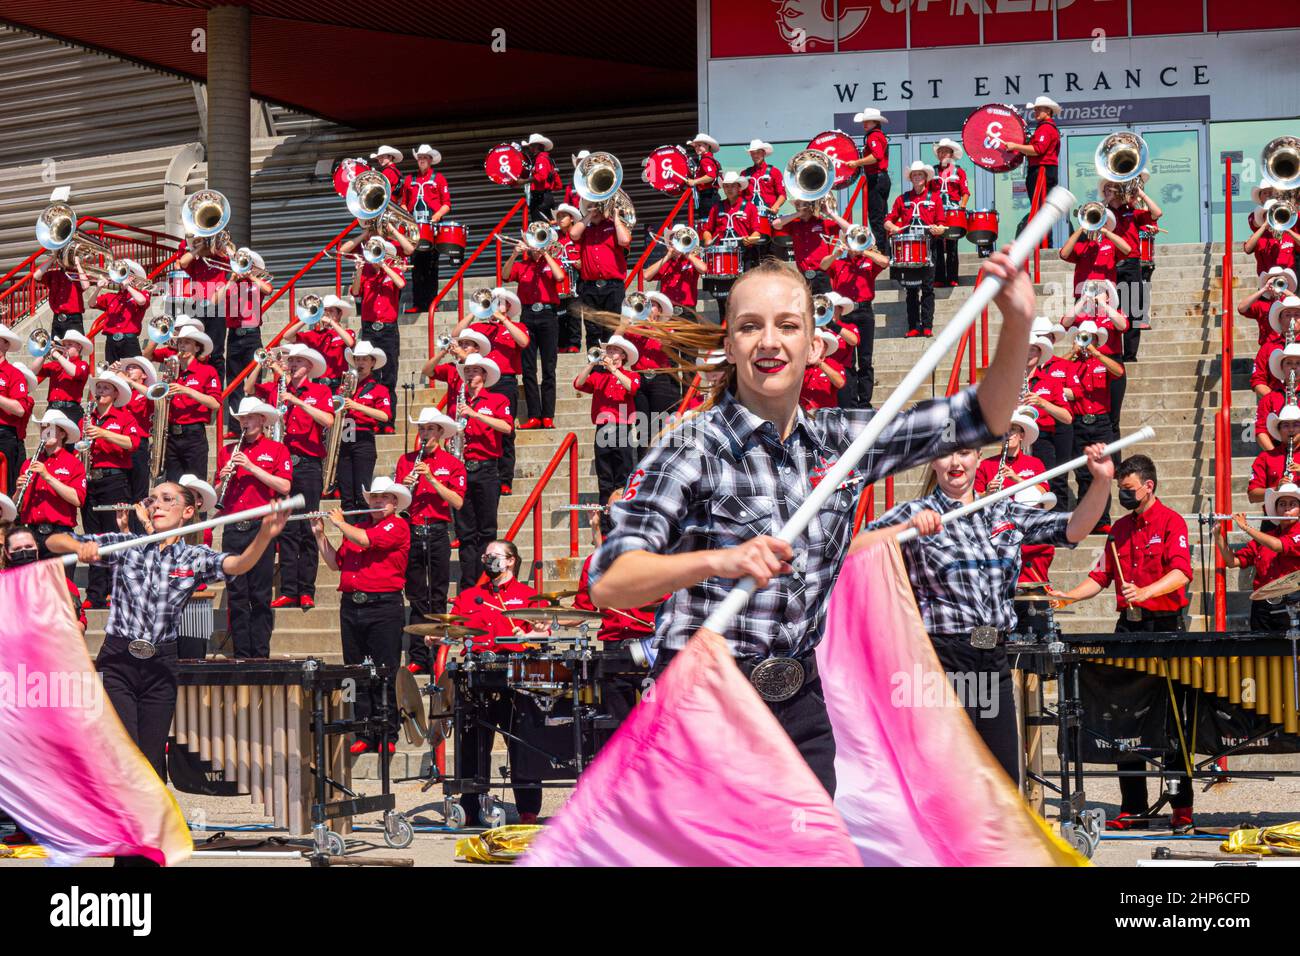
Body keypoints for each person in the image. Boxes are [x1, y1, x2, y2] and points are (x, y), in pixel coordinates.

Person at [587, 252, 1039, 796]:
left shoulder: (847, 441)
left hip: (801, 708)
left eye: (788, 326)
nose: (769, 342)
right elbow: (609, 579)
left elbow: (981, 418)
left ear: (814, 346)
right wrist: (719, 560)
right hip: (704, 708)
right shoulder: (690, 447)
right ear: (728, 347)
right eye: (750, 327)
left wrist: (1017, 323)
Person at [51, 483, 287, 866]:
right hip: (119, 664)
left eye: (167, 500)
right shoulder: (124, 544)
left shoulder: (193, 557)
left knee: (150, 764)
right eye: (153, 500)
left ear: (188, 512)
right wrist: (79, 548)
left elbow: (239, 565)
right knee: (129, 760)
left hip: (161, 666)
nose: (156, 505)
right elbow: (57, 540)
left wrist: (264, 534)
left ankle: (144, 851)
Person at [859, 443, 1112, 782]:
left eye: (964, 452)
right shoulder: (913, 512)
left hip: (993, 657)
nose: (955, 462)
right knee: (948, 777)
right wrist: (903, 532)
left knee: (1002, 777)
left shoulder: (1003, 513)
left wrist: (1101, 482)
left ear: (979, 456)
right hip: (943, 660)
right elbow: (852, 548)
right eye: (946, 454)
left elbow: (1073, 529)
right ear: (932, 460)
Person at [1046, 455, 1194, 830]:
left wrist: (1145, 592)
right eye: (1120, 490)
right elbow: (1100, 576)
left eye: (1128, 490)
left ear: (1149, 486)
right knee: (1124, 716)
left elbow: (1180, 574)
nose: (1123, 496)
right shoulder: (1119, 530)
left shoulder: (1172, 522)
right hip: (1127, 628)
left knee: (1172, 720)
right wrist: (1069, 597)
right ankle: (1134, 807)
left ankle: (1181, 808)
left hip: (1165, 628)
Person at [449, 539, 547, 825]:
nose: (488, 559)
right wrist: (440, 634)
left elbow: (544, 633)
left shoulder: (528, 595)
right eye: (485, 555)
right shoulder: (468, 597)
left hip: (515, 676)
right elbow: (452, 629)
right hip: (477, 676)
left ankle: (528, 808)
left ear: (511, 560)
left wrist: (533, 635)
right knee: (472, 744)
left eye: (495, 555)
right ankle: (469, 805)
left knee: (522, 743)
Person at [313, 476, 410, 754]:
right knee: (354, 670)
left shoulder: (397, 525)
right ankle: (362, 729)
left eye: (384, 497)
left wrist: (340, 522)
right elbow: (334, 564)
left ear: (394, 502)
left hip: (383, 606)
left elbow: (367, 541)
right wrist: (320, 533)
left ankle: (387, 732)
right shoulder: (356, 528)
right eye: (374, 497)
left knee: (385, 670)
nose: (377, 502)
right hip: (352, 605)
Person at [252, 345, 334, 610]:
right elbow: (248, 391)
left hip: (308, 464)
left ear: (309, 367)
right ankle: (288, 589)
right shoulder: (276, 389)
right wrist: (260, 363)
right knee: (286, 529)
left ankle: (306, 590)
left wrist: (297, 401)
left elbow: (329, 421)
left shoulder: (320, 391)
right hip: (281, 464)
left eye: (299, 360)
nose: (294, 364)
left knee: (309, 527)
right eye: (292, 360)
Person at [215, 397, 292, 657]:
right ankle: (241, 655)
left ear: (262, 420)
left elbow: (284, 486)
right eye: (241, 419)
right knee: (236, 595)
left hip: (260, 528)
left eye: (250, 417)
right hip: (233, 526)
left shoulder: (277, 449)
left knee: (259, 595)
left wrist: (251, 467)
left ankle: (260, 654)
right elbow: (214, 497)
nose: (244, 423)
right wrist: (222, 480)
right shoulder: (227, 451)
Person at [396, 408, 465, 673]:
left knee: (437, 594)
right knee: (415, 594)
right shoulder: (406, 460)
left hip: (437, 530)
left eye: (429, 430)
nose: (424, 434)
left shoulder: (452, 463)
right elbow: (396, 501)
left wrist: (433, 480)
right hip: (412, 528)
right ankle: (417, 656)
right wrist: (404, 485)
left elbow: (457, 502)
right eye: (421, 429)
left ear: (440, 433)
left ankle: (437, 652)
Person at [454, 287, 528, 495]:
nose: (495, 304)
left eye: (500, 301)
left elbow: (524, 342)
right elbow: (456, 334)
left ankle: (505, 479)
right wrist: (475, 311)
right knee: (474, 426)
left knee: (506, 432)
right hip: (480, 380)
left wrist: (503, 320)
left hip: (504, 381)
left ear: (509, 307)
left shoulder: (516, 326)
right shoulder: (479, 327)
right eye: (492, 301)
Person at [79, 369, 141, 609]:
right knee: (92, 538)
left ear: (116, 393)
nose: (100, 391)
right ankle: (95, 593)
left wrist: (103, 433)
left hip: (115, 480)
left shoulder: (125, 417)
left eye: (105, 388)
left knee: (113, 537)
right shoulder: (87, 417)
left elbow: (133, 443)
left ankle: (116, 591)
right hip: (91, 479)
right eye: (98, 388)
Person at [455, 355, 512, 588]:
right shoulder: (458, 402)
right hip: (462, 467)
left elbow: (507, 427)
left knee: (487, 529)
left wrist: (476, 414)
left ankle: (486, 580)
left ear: (485, 375)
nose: (470, 375)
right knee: (465, 532)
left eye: (475, 371)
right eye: (467, 371)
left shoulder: (497, 399)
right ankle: (468, 584)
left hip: (487, 467)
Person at [574, 336, 640, 536]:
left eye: (613, 350)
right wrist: (592, 364)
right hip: (603, 427)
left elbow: (633, 388)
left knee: (624, 476)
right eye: (608, 350)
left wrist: (614, 370)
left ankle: (626, 522)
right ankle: (605, 527)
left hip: (622, 428)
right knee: (605, 479)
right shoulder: (598, 376)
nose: (609, 354)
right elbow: (578, 383)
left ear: (623, 356)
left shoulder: (631, 374)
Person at [1214, 482, 1300, 632]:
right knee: (1260, 651)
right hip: (1262, 606)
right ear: (1276, 510)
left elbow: (1277, 546)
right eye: (1282, 504)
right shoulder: (1265, 537)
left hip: (1293, 603)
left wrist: (1246, 527)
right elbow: (1233, 562)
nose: (1286, 508)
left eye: (1292, 504)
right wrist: (1218, 536)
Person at [819, 231, 890, 408]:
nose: (853, 245)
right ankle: (850, 400)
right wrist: (837, 252)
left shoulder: (868, 261)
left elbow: (885, 262)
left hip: (864, 311)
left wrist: (863, 249)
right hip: (845, 313)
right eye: (852, 241)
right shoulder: (839, 263)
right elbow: (822, 265)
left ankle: (865, 402)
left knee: (865, 359)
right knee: (848, 360)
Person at [504, 235, 564, 430]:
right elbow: (505, 276)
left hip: (548, 315)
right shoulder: (522, 265)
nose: (535, 245)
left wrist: (545, 253)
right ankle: (534, 415)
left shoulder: (551, 260)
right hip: (528, 314)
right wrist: (514, 254)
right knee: (528, 369)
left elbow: (560, 277)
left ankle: (548, 415)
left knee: (549, 368)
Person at [1101, 178, 1163, 358]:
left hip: (1131, 263)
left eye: (1112, 188)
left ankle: (1130, 355)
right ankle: (1112, 352)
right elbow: (1090, 217)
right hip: (1108, 262)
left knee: (1133, 310)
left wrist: (1140, 193)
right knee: (1110, 309)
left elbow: (1157, 213)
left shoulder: (1132, 211)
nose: (1109, 191)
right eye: (1106, 189)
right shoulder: (1101, 211)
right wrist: (1107, 200)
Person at [1062, 281, 1130, 444]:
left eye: (1101, 291)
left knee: (1113, 419)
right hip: (1085, 362)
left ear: (1109, 295)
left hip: (1109, 362)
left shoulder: (1113, 312)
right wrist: (1084, 299)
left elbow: (1123, 325)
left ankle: (1114, 463)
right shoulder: (1083, 316)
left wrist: (1104, 305)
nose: (1095, 293)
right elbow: (1065, 322)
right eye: (1093, 290)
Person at [885, 161, 947, 338]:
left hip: (928, 246)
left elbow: (942, 224)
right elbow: (888, 220)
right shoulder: (902, 199)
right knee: (911, 290)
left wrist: (938, 229)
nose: (917, 177)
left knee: (927, 288)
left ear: (926, 178)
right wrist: (893, 227)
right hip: (907, 249)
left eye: (920, 174)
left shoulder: (935, 198)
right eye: (914, 175)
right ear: (911, 178)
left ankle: (927, 326)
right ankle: (913, 326)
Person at [15, 410, 86, 560]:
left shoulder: (74, 463)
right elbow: (18, 507)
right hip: (32, 534)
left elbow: (77, 499)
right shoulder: (29, 463)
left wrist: (47, 476)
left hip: (61, 534)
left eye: (50, 428)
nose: (44, 431)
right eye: (42, 428)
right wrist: (18, 491)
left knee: (62, 583)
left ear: (62, 434)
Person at [346, 232, 411, 395]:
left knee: (390, 373)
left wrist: (383, 265)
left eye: (378, 250)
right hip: (369, 328)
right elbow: (355, 292)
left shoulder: (393, 269)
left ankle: (387, 416)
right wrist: (359, 271)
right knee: (369, 374)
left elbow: (401, 283)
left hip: (388, 329)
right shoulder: (365, 270)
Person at [218, 253, 274, 426]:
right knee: (234, 381)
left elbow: (269, 290)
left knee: (254, 381)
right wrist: (233, 279)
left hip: (252, 334)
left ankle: (254, 420)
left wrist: (250, 275)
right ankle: (236, 426)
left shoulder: (255, 283)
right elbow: (217, 299)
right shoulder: (232, 284)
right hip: (234, 335)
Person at [336, 341, 392, 513]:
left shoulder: (379, 389)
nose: (360, 363)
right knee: (346, 496)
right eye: (357, 359)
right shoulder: (344, 386)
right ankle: (348, 537)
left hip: (363, 439)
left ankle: (361, 533)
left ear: (372, 362)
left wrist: (356, 406)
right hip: (344, 438)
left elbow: (385, 416)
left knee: (361, 494)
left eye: (364, 359)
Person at [570, 198, 631, 352]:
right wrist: (589, 215)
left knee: (612, 327)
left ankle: (611, 367)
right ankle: (595, 368)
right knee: (592, 330)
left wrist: (615, 216)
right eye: (589, 207)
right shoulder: (586, 229)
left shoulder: (614, 226)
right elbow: (573, 234)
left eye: (596, 206)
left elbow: (624, 240)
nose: (594, 209)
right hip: (590, 286)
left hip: (613, 286)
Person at [163, 327, 222, 483]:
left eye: (187, 342)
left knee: (196, 485)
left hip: (193, 435)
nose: (182, 346)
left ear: (197, 348)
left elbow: (215, 404)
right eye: (180, 342)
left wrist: (187, 391)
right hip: (171, 435)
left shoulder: (207, 371)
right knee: (173, 485)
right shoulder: (171, 373)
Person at [401, 144, 452, 313]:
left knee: (431, 267)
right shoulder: (409, 179)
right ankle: (418, 304)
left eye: (425, 157)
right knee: (416, 266)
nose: (422, 160)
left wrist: (435, 217)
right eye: (420, 157)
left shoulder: (439, 178)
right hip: (414, 228)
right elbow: (403, 203)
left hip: (432, 227)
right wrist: (405, 215)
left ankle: (431, 304)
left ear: (430, 160)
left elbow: (446, 205)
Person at [1001, 96, 1061, 237]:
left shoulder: (1046, 128)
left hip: (1042, 170)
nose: (1035, 112)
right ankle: (1043, 243)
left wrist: (1015, 146)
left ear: (1048, 110)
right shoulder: (1045, 127)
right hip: (1043, 169)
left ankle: (1043, 244)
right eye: (1035, 109)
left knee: (1041, 209)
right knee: (1042, 209)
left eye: (1039, 109)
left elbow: (1038, 149)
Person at [701, 170, 764, 301]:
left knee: (745, 295)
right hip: (722, 256)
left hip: (744, 253)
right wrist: (707, 240)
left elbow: (757, 232)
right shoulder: (716, 207)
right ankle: (723, 320)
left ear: (739, 187)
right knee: (723, 297)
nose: (729, 189)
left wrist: (750, 239)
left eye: (733, 186)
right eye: (726, 186)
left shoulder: (750, 207)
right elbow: (707, 229)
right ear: (723, 188)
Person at [177, 234, 232, 376]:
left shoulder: (223, 258)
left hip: (217, 307)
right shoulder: (196, 261)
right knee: (196, 349)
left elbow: (238, 262)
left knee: (216, 352)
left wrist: (222, 246)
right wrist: (200, 246)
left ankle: (217, 390)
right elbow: (183, 262)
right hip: (198, 307)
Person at [773, 198, 850, 297]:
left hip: (821, 275)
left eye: (804, 203)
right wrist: (797, 214)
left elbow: (849, 229)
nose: (800, 206)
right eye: (797, 204)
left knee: (825, 308)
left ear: (811, 205)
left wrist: (830, 213)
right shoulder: (794, 225)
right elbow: (775, 224)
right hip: (803, 276)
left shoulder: (823, 223)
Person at [284, 294, 357, 389]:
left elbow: (350, 342)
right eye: (325, 310)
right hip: (318, 382)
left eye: (331, 310)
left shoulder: (347, 332)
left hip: (338, 383)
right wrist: (307, 318)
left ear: (339, 314)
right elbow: (287, 336)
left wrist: (331, 322)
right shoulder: (313, 334)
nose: (327, 313)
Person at [842, 108, 891, 250]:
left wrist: (856, 163)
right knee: (880, 215)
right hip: (880, 178)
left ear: (875, 122)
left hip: (877, 178)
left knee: (876, 217)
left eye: (867, 121)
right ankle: (885, 249)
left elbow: (877, 156)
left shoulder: (873, 137)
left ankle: (882, 250)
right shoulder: (877, 135)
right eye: (864, 121)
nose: (864, 123)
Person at [974, 406, 1046, 495]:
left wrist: (1017, 479)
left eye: (1012, 429)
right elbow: (974, 498)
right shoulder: (985, 465)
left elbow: (1043, 492)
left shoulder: (1036, 463)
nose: (1008, 434)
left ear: (1022, 435)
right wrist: (987, 493)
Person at [929, 138, 970, 287]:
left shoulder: (959, 171)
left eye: (945, 151)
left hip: (953, 211)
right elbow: (927, 193)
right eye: (940, 151)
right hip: (936, 211)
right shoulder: (931, 171)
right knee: (937, 245)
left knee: (952, 244)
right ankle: (938, 278)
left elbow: (965, 192)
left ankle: (953, 277)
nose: (942, 154)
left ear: (952, 154)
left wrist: (962, 208)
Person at [642, 225, 707, 320]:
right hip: (668, 312)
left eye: (680, 238)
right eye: (674, 238)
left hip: (688, 312)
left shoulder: (691, 260)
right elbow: (646, 275)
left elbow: (704, 269)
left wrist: (687, 253)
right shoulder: (665, 262)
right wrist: (668, 256)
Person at [1059, 208, 1130, 294]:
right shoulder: (1082, 245)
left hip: (1106, 294)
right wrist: (1081, 228)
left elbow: (1127, 249)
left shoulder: (1111, 244)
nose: (1096, 224)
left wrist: (1106, 232)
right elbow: (1064, 254)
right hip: (1083, 294)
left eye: (1101, 221)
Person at [31, 329, 91, 429]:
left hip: (71, 410)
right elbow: (33, 371)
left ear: (79, 347)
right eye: (64, 344)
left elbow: (74, 372)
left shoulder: (83, 365)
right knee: (47, 441)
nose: (65, 347)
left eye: (69, 344)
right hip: (52, 408)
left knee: (70, 443)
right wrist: (44, 353)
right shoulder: (56, 364)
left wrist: (57, 355)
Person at [0, 326, 33, 496]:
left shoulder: (14, 374)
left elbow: (20, 409)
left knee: (7, 487)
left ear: (6, 345)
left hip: (4, 435)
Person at [1254, 342, 1300, 452]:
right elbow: (1260, 430)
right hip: (1278, 452)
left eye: (1298, 363)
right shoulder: (1269, 399)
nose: (1293, 367)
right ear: (1281, 368)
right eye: (1288, 363)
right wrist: (1277, 456)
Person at [33, 251, 91, 338]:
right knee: (56, 347)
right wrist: (53, 258)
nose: (63, 259)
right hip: (57, 318)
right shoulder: (54, 274)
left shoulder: (77, 274)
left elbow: (86, 286)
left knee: (74, 349)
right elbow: (36, 276)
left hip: (74, 318)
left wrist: (78, 264)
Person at [741, 138, 787, 241]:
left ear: (764, 153)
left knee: (770, 246)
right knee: (750, 246)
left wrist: (776, 206)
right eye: (753, 153)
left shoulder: (774, 172)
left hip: (769, 217)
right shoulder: (744, 174)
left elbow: (782, 194)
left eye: (758, 152)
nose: (756, 155)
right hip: (750, 218)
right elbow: (740, 197)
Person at [799, 328, 846, 413]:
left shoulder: (833, 363)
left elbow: (840, 383)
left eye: (822, 345)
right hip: (803, 415)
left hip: (826, 414)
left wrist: (819, 363)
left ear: (825, 348)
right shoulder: (798, 364)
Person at [522, 132, 561, 221]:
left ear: (538, 146)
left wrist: (523, 181)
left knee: (540, 225)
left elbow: (541, 176)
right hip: (545, 197)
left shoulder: (541, 158)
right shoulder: (546, 158)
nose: (530, 149)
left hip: (541, 199)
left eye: (531, 146)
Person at [684, 132, 721, 223]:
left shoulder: (705, 161)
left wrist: (694, 181)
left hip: (708, 197)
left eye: (699, 145)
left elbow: (711, 176)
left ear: (707, 145)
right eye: (695, 146)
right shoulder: (713, 160)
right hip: (713, 195)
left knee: (706, 224)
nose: (696, 148)